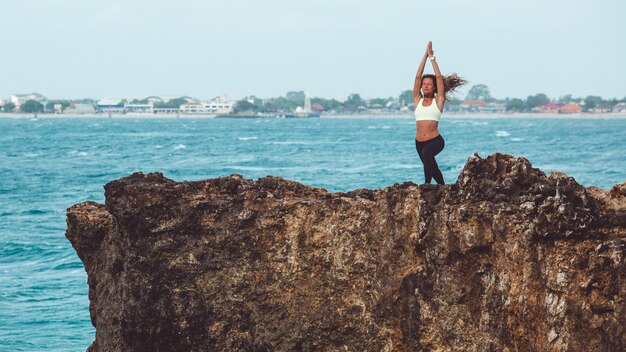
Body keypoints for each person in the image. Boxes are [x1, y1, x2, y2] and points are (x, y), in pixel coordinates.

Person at [412, 41, 466, 184]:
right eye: (424, 84)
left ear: (434, 87)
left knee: (427, 155)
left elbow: (438, 78)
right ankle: (442, 187)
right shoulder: (418, 100)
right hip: (419, 142)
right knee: (432, 166)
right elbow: (418, 77)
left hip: (435, 141)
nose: (426, 86)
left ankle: (427, 184)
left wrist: (432, 58)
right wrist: (424, 54)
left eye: (429, 84)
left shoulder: (438, 100)